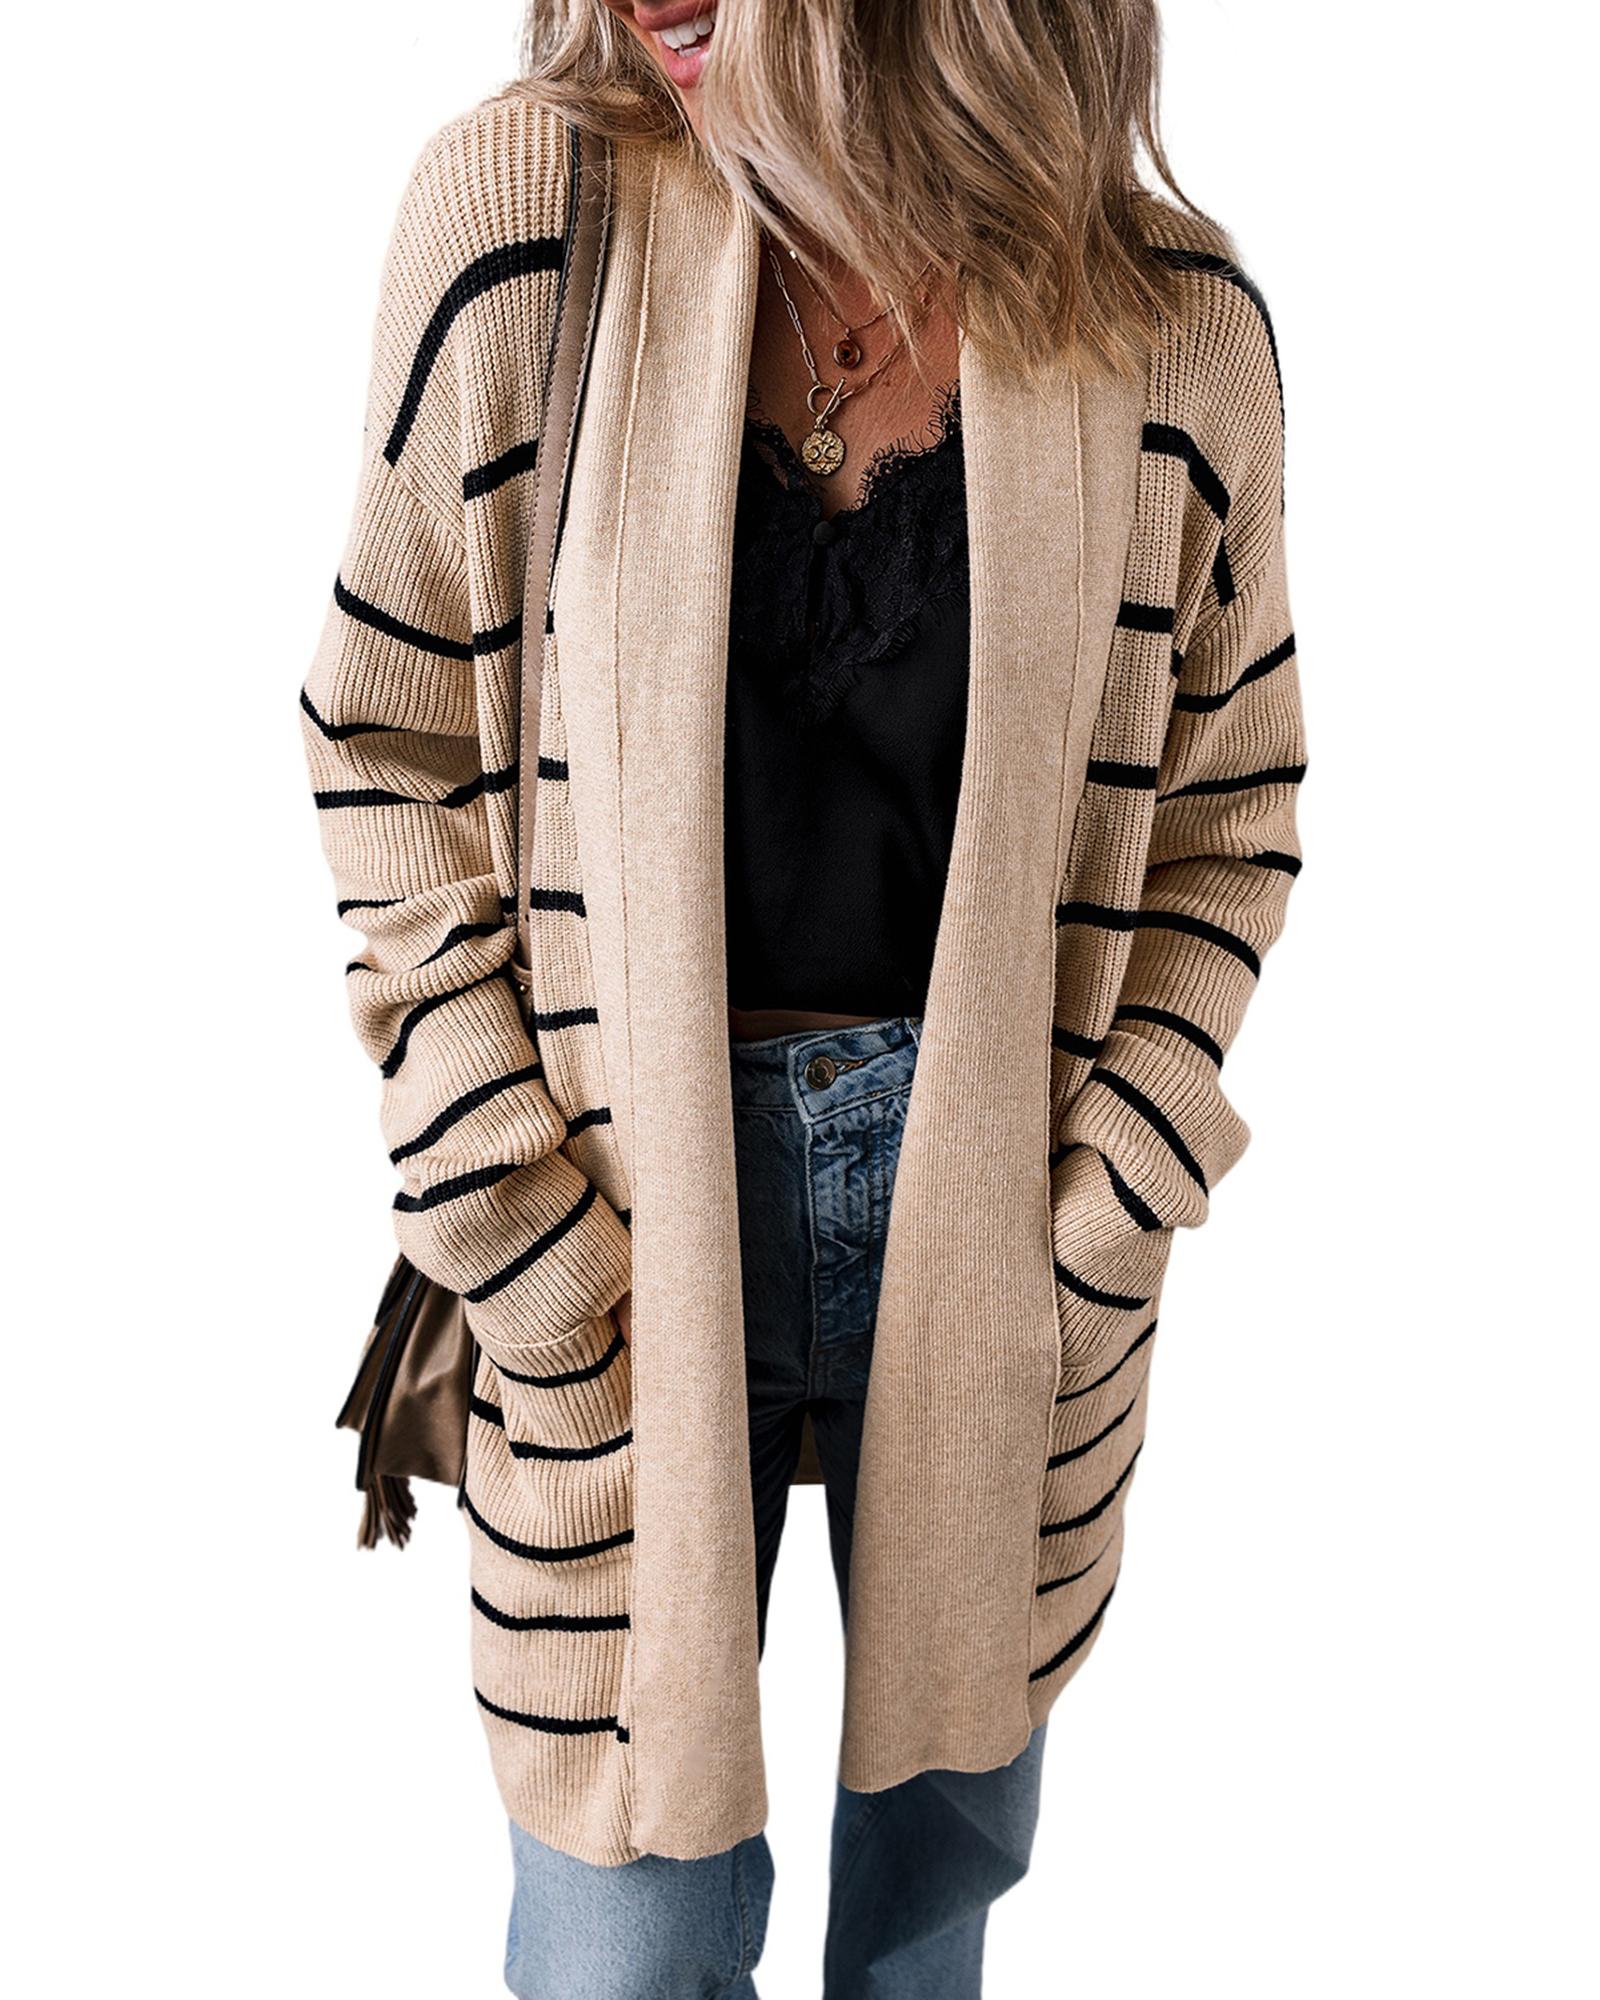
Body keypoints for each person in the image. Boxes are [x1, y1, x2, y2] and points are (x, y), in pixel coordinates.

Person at [300, 1, 1304, 1991]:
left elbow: (1227, 804)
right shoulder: (523, 219)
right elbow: (386, 744)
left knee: (928, 1903)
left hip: (995, 1230)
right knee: (625, 1929)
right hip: (620, 1221)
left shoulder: (1172, 320)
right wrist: (507, 1208)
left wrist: (1105, 1201)